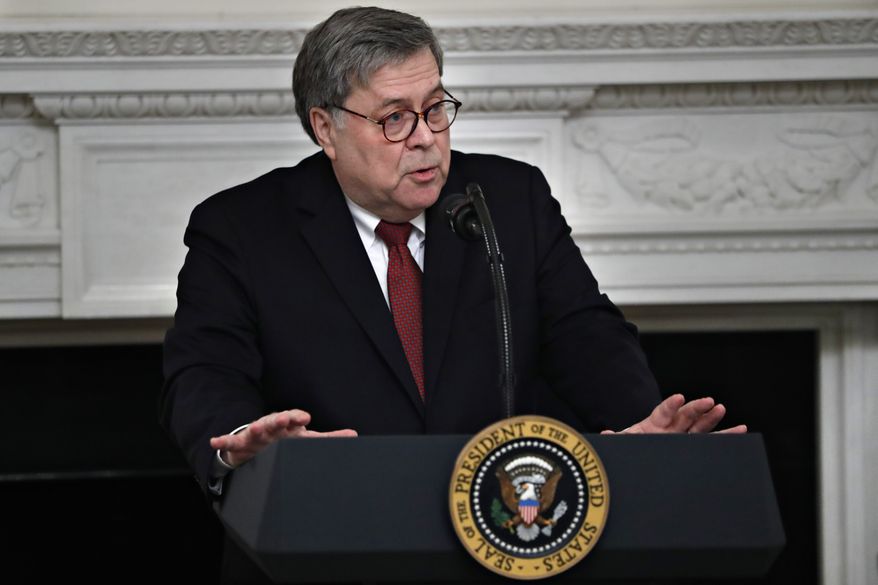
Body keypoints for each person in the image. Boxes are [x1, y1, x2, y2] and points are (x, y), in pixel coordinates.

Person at [160, 5, 745, 581]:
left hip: (497, 545)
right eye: (394, 117)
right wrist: (243, 443)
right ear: (325, 128)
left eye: (436, 108)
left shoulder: (509, 200)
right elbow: (204, 374)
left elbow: (587, 337)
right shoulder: (242, 228)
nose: (425, 139)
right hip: (323, 548)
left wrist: (643, 435)